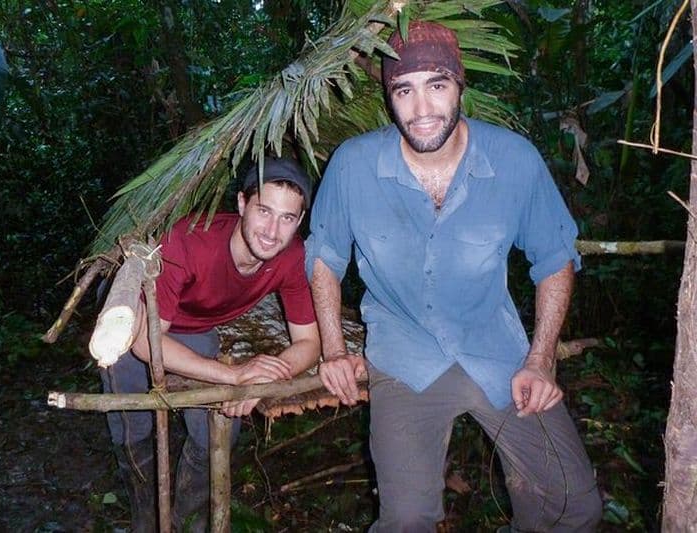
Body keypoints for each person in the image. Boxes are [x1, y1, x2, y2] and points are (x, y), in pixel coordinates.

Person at [305, 21, 602, 532]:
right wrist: (333, 349)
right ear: (388, 97)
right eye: (405, 90)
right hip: (404, 358)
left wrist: (541, 358)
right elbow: (325, 255)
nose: (421, 110)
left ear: (461, 86)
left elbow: (554, 257)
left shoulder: (513, 160)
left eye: (437, 86)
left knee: (572, 507)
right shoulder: (353, 166)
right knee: (405, 520)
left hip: (498, 352)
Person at [101, 157, 320, 532]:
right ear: (241, 205)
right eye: (264, 210)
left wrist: (262, 376)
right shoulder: (188, 243)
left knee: (218, 429)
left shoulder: (292, 256)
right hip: (134, 322)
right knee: (132, 427)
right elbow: (143, 344)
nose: (272, 230)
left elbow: (308, 343)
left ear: (299, 222)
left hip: (194, 325)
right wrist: (234, 375)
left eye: (287, 218)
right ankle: (145, 516)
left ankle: (184, 521)